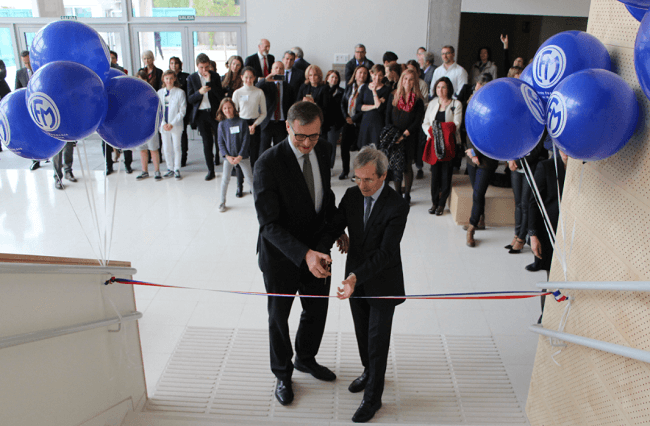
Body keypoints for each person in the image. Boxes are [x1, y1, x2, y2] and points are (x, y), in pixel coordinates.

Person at [253, 101, 337, 407]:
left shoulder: (325, 150)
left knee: (316, 310)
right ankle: (282, 373)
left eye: (313, 136)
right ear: (288, 127)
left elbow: (325, 196)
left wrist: (335, 228)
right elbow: (269, 225)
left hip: (319, 248)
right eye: (300, 136)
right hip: (281, 256)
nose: (306, 143)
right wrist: (305, 255)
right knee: (279, 316)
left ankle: (305, 358)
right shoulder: (268, 163)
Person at [325, 145, 409, 423]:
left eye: (368, 179)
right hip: (356, 282)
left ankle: (373, 398)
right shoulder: (351, 196)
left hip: (382, 282)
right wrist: (335, 235)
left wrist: (353, 277)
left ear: (383, 176)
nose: (361, 185)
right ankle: (369, 371)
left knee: (377, 342)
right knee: (363, 335)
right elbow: (335, 221)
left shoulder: (397, 206)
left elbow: (385, 254)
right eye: (357, 178)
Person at [464, 74, 499, 247]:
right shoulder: (470, 103)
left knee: (478, 193)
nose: (477, 87)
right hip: (471, 157)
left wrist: (478, 153)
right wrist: (471, 152)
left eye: (481, 85)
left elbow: (492, 134)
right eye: (477, 84)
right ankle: (480, 219)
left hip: (487, 158)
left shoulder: (495, 107)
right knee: (477, 191)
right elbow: (468, 129)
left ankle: (472, 228)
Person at [423, 77, 463, 215]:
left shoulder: (456, 104)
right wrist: (433, 131)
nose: (440, 90)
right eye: (438, 87)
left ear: (449, 89)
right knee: (435, 174)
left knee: (446, 174)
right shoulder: (433, 103)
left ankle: (442, 204)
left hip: (448, 144)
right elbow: (426, 123)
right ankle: (434, 202)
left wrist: (438, 128)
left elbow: (456, 124)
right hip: (434, 142)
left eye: (443, 87)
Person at [385, 69, 425, 204]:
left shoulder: (418, 100)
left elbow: (417, 121)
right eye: (405, 79)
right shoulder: (393, 96)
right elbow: (387, 117)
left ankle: (407, 195)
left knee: (407, 167)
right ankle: (397, 194)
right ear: (401, 80)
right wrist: (392, 135)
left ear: (415, 82)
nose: (408, 82)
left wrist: (403, 135)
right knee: (396, 167)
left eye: (411, 79)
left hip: (409, 138)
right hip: (394, 138)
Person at [527, 149, 567, 274]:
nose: (565, 151)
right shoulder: (546, 166)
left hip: (573, 234)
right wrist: (533, 236)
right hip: (550, 231)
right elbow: (534, 203)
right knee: (552, 278)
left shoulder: (584, 169)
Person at [187, 53, 224, 181]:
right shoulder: (191, 78)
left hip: (214, 113)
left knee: (220, 140)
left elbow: (220, 96)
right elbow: (190, 99)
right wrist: (199, 93)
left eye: (207, 67)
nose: (204, 70)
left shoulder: (215, 76)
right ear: (197, 66)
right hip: (201, 115)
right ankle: (210, 170)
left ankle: (223, 161)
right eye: (202, 67)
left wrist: (209, 83)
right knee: (207, 142)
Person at [507, 136, 547, 253]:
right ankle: (516, 234)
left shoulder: (538, 122)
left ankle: (521, 238)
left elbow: (538, 147)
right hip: (514, 165)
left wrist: (517, 161)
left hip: (530, 166)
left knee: (525, 204)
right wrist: (510, 159)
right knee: (518, 203)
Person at [217, 98, 254, 212]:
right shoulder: (222, 125)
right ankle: (222, 202)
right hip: (229, 158)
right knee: (225, 179)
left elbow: (245, 140)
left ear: (234, 108)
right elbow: (220, 142)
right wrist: (227, 156)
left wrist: (240, 156)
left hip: (242, 157)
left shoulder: (242, 122)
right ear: (222, 110)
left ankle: (259, 201)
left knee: (250, 179)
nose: (227, 110)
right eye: (225, 108)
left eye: (229, 107)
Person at [233, 66, 266, 181]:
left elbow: (263, 113)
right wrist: (244, 126)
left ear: (255, 78)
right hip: (241, 125)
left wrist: (254, 125)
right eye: (246, 77)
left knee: (254, 154)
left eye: (251, 77)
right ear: (242, 77)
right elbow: (234, 113)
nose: (248, 79)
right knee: (241, 155)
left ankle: (253, 182)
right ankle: (239, 184)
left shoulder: (259, 92)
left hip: (254, 125)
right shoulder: (237, 93)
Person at [256, 61, 293, 157]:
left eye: (281, 68)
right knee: (263, 149)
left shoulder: (288, 87)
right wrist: (266, 80)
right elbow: (255, 89)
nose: (279, 70)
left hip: (281, 123)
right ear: (271, 70)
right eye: (276, 68)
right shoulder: (266, 85)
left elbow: (290, 105)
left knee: (280, 150)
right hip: (267, 122)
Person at [339, 65, 369, 180]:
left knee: (360, 149)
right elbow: (343, 103)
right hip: (348, 122)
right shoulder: (349, 87)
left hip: (360, 123)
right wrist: (346, 117)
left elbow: (365, 107)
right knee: (344, 147)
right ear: (355, 74)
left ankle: (358, 173)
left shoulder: (367, 89)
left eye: (365, 73)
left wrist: (354, 118)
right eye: (360, 72)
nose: (362, 75)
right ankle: (345, 171)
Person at [158, 70, 186, 180]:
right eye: (166, 78)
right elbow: (158, 110)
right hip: (164, 126)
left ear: (174, 79)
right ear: (163, 79)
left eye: (171, 78)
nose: (169, 81)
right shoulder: (159, 93)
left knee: (176, 147)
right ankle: (169, 168)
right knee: (166, 147)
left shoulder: (180, 92)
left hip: (176, 125)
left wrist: (172, 123)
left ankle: (177, 168)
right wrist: (163, 123)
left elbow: (182, 111)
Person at [134, 69, 162, 181]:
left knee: (153, 148)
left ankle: (157, 171)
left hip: (151, 125)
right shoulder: (134, 94)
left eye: (144, 80)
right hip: (139, 126)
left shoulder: (152, 93)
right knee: (142, 149)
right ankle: (144, 171)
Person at [16, 51, 40, 170]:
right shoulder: (19, 73)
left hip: (40, 107)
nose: (28, 65)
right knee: (32, 134)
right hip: (29, 109)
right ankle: (35, 159)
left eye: (29, 62)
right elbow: (18, 91)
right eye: (25, 63)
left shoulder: (40, 70)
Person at [356, 64, 390, 149]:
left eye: (380, 75)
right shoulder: (364, 87)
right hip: (365, 123)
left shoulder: (387, 89)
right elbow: (359, 106)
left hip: (378, 123)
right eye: (375, 74)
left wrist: (374, 91)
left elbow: (380, 108)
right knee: (364, 150)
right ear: (371, 73)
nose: (377, 78)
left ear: (383, 76)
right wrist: (374, 106)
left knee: (376, 150)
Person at [169, 57, 191, 167]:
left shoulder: (186, 76)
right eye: (172, 63)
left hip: (182, 109)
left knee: (182, 134)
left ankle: (183, 157)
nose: (174, 65)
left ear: (180, 64)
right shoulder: (167, 76)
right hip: (170, 111)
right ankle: (172, 158)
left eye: (176, 63)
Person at [297, 65, 330, 134]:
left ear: (319, 76)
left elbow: (326, 106)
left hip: (319, 120)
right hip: (305, 120)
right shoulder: (304, 86)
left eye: (315, 75)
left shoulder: (324, 88)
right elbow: (297, 102)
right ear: (307, 76)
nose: (312, 77)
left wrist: (314, 103)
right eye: (310, 75)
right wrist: (302, 101)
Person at [325, 70, 345, 169]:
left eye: (336, 77)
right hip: (323, 123)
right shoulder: (323, 89)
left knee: (331, 146)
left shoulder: (342, 91)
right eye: (332, 77)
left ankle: (330, 167)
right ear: (327, 78)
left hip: (335, 124)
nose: (334, 79)